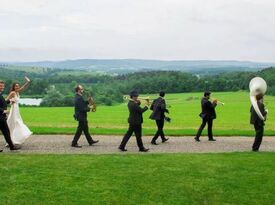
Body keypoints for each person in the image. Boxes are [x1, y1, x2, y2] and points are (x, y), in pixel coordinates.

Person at [6, 77, 32, 145]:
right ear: (13, 87)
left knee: (17, 123)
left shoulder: (17, 92)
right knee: (14, 123)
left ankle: (14, 139)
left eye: (18, 86)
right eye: (16, 86)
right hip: (13, 109)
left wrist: (28, 82)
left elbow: (24, 87)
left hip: (17, 110)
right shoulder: (12, 93)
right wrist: (11, 101)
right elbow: (6, 100)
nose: (17, 87)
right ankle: (11, 140)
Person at [0, 80, 20, 151]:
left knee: (6, 132)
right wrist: (3, 110)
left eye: (3, 86)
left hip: (2, 116)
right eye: (0, 86)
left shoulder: (0, 94)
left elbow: (4, 102)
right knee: (6, 131)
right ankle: (12, 147)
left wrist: (10, 101)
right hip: (0, 116)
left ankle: (12, 146)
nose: (2, 87)